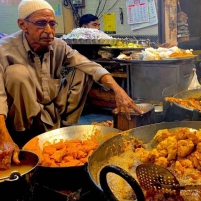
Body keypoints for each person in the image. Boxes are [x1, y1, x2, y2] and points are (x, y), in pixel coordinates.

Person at [0, 0, 142, 170]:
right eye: (41, 24)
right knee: (17, 73)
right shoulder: (4, 49)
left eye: (52, 24)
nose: (48, 31)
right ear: (22, 25)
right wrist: (4, 139)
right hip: (19, 121)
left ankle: (63, 128)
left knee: (85, 70)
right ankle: (24, 136)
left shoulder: (58, 45)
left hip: (50, 113)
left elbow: (89, 65)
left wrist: (118, 90)